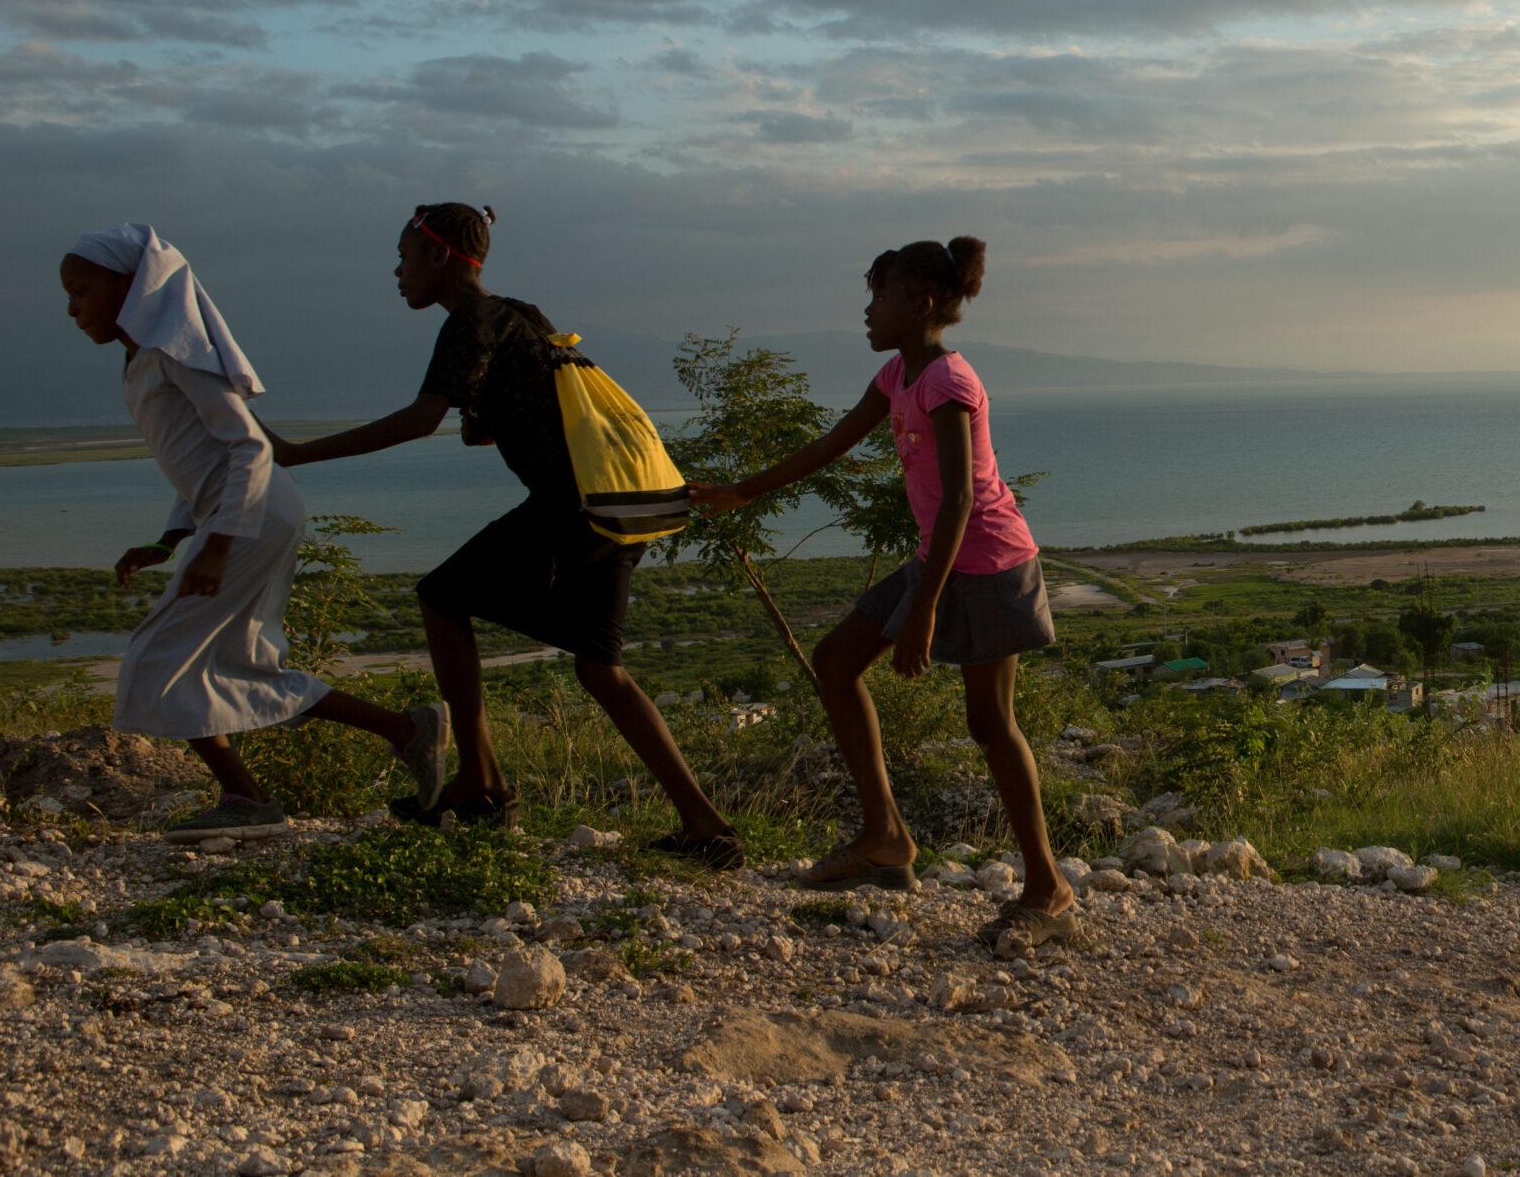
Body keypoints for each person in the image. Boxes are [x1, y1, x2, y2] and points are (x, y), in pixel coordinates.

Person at [261, 204, 743, 868]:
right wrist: (483, 413)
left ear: (440, 257)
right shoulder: (523, 314)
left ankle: (480, 782)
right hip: (619, 502)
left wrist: (297, 454)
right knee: (600, 667)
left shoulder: (469, 323)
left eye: (405, 256)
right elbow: (501, 416)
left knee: (440, 595)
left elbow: (420, 419)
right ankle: (704, 823)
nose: (397, 271)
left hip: (572, 507)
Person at [688, 237, 1074, 952]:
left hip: (986, 562)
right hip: (939, 557)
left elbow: (960, 497)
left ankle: (1047, 885)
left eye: (879, 296)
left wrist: (923, 610)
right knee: (836, 661)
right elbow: (830, 443)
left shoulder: (947, 383)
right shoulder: (898, 374)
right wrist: (743, 490)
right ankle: (885, 837)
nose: (867, 311)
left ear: (919, 303)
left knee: (990, 723)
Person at [61, 224, 448, 841]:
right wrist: (170, 538)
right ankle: (404, 732)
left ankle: (247, 798)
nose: (73, 308)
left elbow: (247, 446)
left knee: (156, 658)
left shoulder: (174, 354)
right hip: (247, 515)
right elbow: (198, 464)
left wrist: (216, 545)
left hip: (251, 517)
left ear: (130, 287)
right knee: (236, 661)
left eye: (82, 291)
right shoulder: (144, 361)